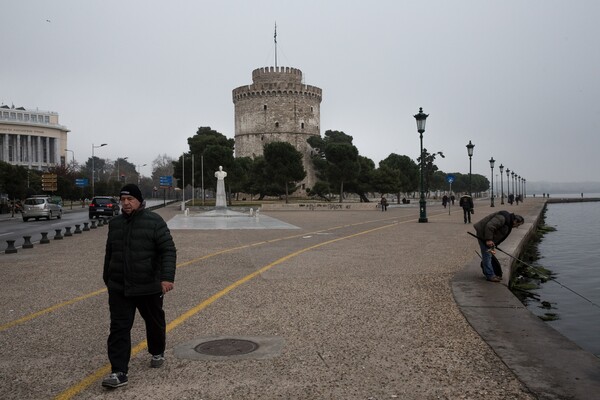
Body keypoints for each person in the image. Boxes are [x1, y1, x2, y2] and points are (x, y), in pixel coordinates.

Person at [102, 184, 177, 388]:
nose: (126, 203)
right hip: (120, 287)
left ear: (139, 201)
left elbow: (168, 250)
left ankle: (157, 351)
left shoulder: (154, 221)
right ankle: (118, 372)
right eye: (122, 200)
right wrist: (107, 278)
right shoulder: (115, 224)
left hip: (148, 286)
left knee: (154, 322)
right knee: (118, 328)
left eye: (130, 200)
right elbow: (110, 253)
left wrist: (166, 277)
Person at [473, 211, 524, 282]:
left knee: (489, 254)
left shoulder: (509, 222)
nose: (517, 227)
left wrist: (494, 244)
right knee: (487, 255)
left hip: (488, 236)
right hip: (483, 233)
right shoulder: (503, 218)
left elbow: (500, 235)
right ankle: (490, 275)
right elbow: (490, 226)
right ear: (515, 221)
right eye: (518, 225)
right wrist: (488, 239)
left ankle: (489, 271)